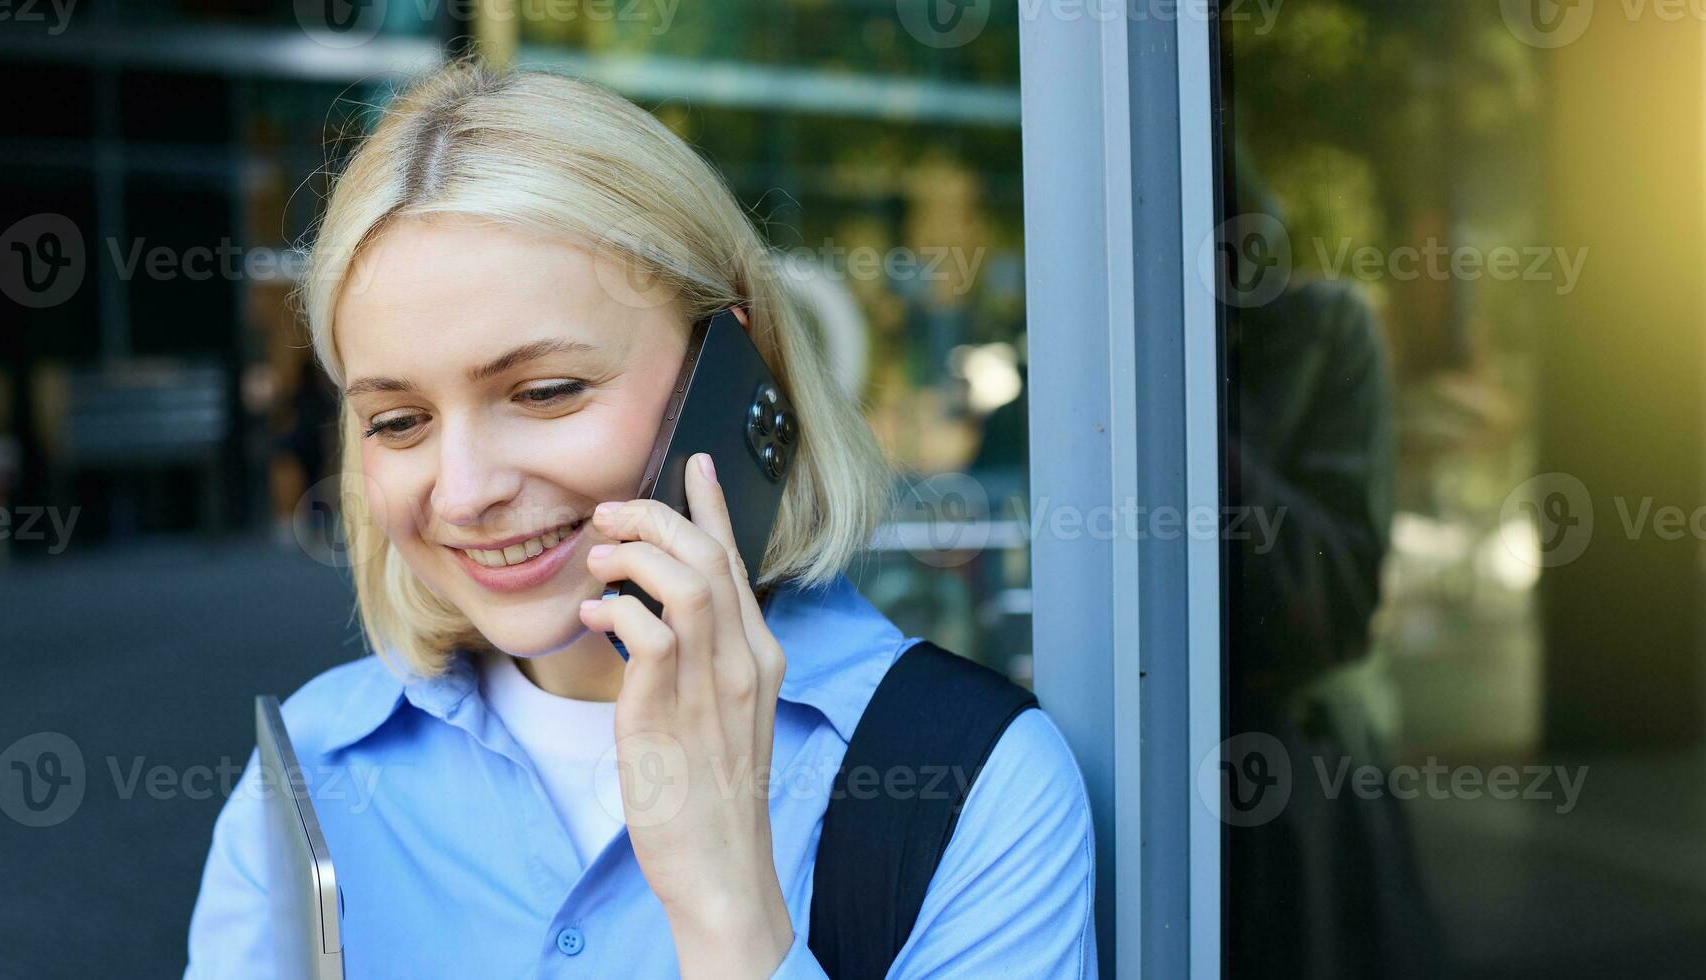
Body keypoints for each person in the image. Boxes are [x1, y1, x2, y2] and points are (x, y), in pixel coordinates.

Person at [185, 58, 1095, 979]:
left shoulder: (970, 785)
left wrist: (726, 904)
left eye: (544, 391)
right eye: (399, 421)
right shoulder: (309, 769)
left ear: (737, 370)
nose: (463, 494)